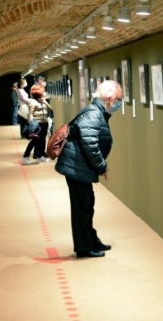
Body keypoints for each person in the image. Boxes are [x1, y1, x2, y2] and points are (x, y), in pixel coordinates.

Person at [54, 79, 122, 258]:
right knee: (82, 207)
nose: (118, 103)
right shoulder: (94, 114)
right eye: (118, 99)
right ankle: (84, 247)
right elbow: (90, 143)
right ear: (109, 97)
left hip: (79, 168)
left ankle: (92, 240)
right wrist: (101, 166)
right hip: (76, 168)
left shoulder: (97, 112)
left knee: (87, 205)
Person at [21, 85, 52, 165]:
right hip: (37, 124)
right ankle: (26, 156)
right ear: (38, 95)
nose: (44, 96)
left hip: (44, 123)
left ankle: (40, 156)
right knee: (34, 141)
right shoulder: (33, 102)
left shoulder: (43, 102)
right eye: (43, 95)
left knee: (42, 141)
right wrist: (32, 124)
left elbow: (50, 109)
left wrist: (45, 102)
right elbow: (30, 114)